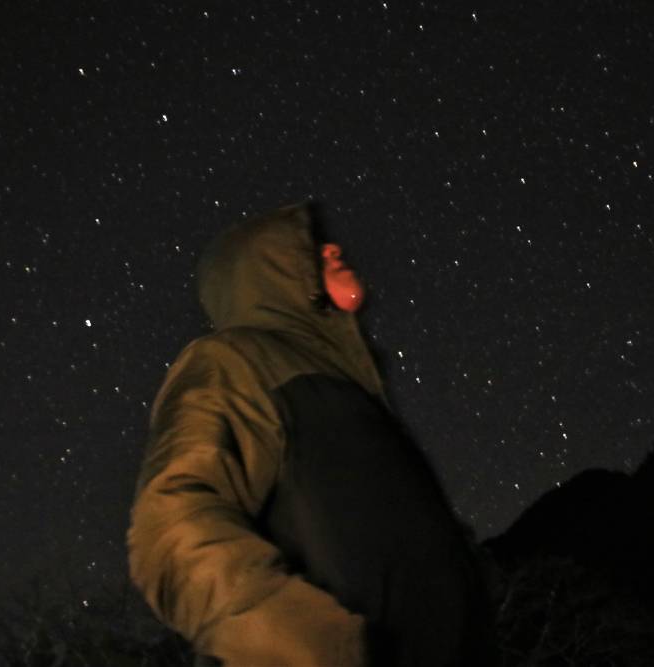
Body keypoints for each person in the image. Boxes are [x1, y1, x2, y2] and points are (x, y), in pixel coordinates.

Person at [127, 203, 495, 666]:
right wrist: (312, 647)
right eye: (309, 249)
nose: (335, 247)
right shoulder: (237, 361)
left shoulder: (358, 395)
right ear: (269, 270)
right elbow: (170, 527)